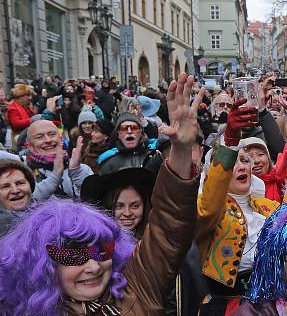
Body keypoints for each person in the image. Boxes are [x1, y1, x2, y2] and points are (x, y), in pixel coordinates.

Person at [0, 73, 204, 315]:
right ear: (43, 266)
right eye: (74, 255)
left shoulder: (135, 289)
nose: (94, 266)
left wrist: (180, 151)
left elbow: (169, 227)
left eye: (102, 250)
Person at [196, 100, 281, 314]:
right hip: (226, 307)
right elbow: (208, 208)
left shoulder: (269, 207)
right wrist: (230, 140)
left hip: (271, 303)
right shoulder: (211, 211)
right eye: (233, 162)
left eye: (244, 160)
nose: (241, 166)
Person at [80, 167, 155, 240]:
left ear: (145, 206)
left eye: (135, 206)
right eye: (119, 206)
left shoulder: (157, 240)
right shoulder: (93, 243)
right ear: (108, 207)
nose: (127, 213)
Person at [24, 119, 92, 199]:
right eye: (40, 137)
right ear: (30, 147)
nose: (48, 140)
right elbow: (27, 202)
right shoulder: (24, 174)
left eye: (52, 134)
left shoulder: (82, 169)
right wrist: (55, 176)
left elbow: (95, 199)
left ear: (61, 139)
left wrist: (77, 171)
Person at [240, 137, 287, 201]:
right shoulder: (238, 188)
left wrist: (283, 179)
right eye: (249, 156)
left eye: (260, 154)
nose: (256, 161)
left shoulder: (278, 182)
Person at [0, 158, 35, 236]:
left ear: (30, 185)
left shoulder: (51, 214)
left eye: (20, 183)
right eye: (5, 186)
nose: (15, 190)